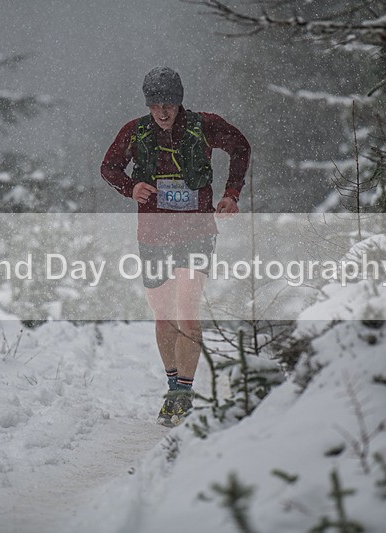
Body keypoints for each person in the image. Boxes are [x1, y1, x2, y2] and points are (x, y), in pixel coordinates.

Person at [101, 66, 250, 426]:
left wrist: (231, 194)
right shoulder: (136, 131)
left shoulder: (203, 125)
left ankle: (183, 392)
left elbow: (241, 147)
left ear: (179, 102)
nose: (163, 111)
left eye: (168, 103)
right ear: (148, 105)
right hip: (153, 234)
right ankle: (173, 387)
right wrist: (131, 188)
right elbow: (109, 167)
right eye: (155, 105)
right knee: (164, 315)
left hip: (197, 231)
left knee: (187, 311)